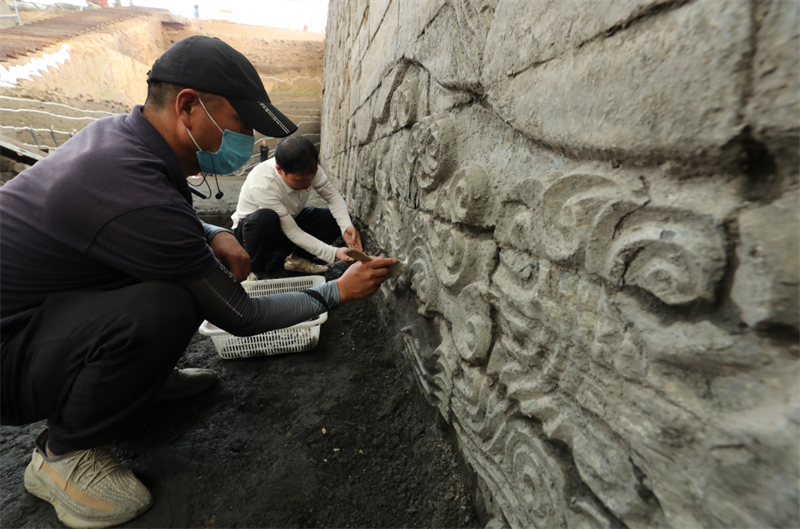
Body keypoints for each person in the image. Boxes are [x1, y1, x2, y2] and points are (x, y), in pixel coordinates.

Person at [0, 35, 395, 529]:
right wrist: (338, 290)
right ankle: (62, 456)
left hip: (39, 319)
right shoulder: (134, 189)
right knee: (168, 305)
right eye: (239, 124)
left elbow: (147, 222)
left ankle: (133, 382)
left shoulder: (123, 141)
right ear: (188, 107)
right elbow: (241, 315)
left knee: (181, 282)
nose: (245, 142)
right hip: (8, 355)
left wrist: (211, 232)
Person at [232, 135, 363, 276]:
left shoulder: (310, 169)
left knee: (335, 218)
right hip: (254, 233)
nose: (308, 185)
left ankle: (296, 260)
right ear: (279, 170)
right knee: (265, 217)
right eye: (301, 180)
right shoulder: (263, 184)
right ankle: (254, 271)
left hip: (287, 221)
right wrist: (334, 253)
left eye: (311, 178)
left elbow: (333, 197)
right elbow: (293, 232)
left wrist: (346, 227)